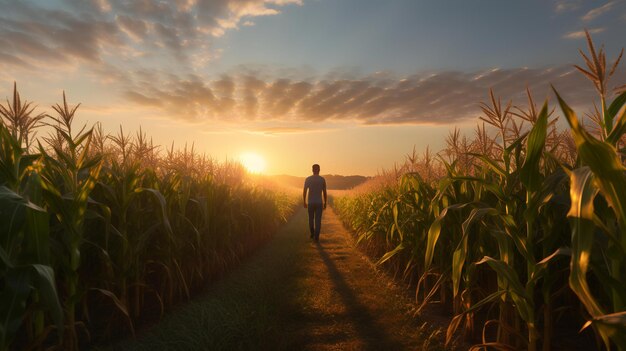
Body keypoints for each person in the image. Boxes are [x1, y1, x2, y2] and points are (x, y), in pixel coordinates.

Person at [303, 164, 327, 242]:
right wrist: (325, 202)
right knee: (318, 220)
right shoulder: (322, 179)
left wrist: (304, 201)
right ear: (319, 170)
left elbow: (305, 191)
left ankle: (312, 233)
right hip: (319, 202)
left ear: (312, 170)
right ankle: (317, 236)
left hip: (310, 202)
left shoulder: (308, 179)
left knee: (311, 219)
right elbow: (324, 192)